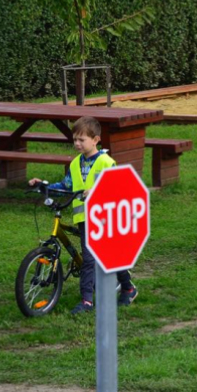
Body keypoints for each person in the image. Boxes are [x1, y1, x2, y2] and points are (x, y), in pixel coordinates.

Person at [28, 116, 137, 315]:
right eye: (75, 140)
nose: (77, 143)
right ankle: (117, 290)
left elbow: (117, 186)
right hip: (85, 218)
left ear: (95, 140)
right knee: (95, 257)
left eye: (81, 140)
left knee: (103, 257)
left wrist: (97, 191)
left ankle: (93, 299)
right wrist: (44, 186)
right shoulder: (76, 163)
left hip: (104, 218)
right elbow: (66, 185)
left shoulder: (106, 162)